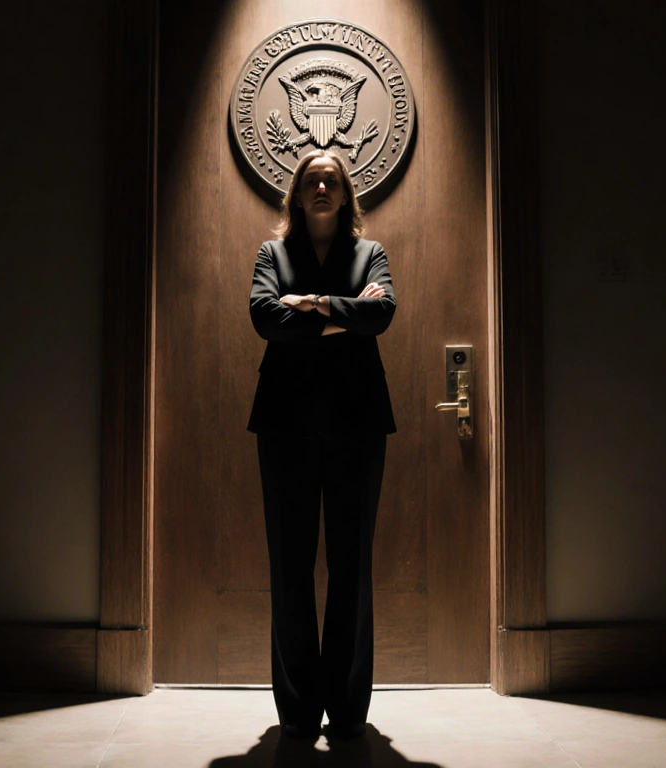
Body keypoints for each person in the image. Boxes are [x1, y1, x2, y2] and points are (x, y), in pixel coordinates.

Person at [247, 149, 397, 741]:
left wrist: (309, 305)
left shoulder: (370, 253)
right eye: (312, 180)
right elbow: (262, 317)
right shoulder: (272, 254)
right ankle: (299, 711)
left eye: (332, 180)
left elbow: (382, 315)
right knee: (290, 567)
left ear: (346, 194)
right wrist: (344, 316)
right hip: (284, 425)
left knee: (351, 567)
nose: (322, 187)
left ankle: (348, 710)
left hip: (358, 426)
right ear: (297, 193)